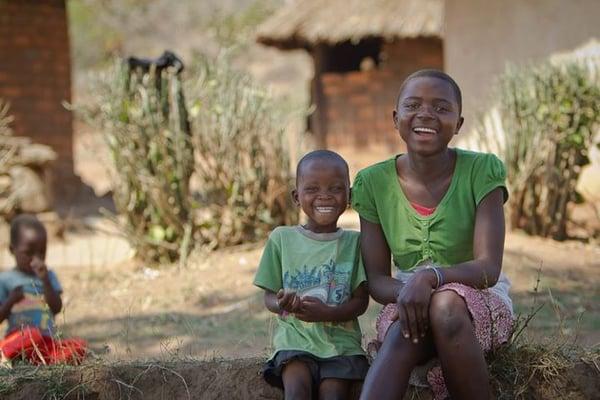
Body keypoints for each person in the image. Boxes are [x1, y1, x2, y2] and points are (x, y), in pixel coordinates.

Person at [352, 70, 513, 400]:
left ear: (459, 123)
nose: (425, 114)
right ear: (396, 118)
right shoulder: (372, 182)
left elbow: (488, 268)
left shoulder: (483, 171)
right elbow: (378, 280)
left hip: (477, 294)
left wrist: (430, 278)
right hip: (409, 299)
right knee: (402, 334)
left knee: (446, 305)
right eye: (412, 105)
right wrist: (413, 290)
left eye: (441, 108)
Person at [254, 150, 370, 399]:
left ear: (348, 195)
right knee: (297, 391)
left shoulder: (356, 243)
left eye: (336, 188)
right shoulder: (282, 239)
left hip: (341, 345)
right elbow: (270, 297)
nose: (324, 196)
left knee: (334, 394)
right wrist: (284, 305)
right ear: (297, 197)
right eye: (313, 189)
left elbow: (361, 302)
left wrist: (329, 313)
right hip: (295, 341)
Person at [0, 214, 86, 365]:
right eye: (28, 252)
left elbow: (56, 308)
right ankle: (10, 355)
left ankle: (50, 358)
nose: (36, 258)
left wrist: (45, 281)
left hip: (46, 341)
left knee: (78, 346)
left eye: (42, 252)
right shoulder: (5, 279)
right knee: (29, 336)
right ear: (12, 250)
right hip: (18, 341)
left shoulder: (48, 276)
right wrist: (11, 300)